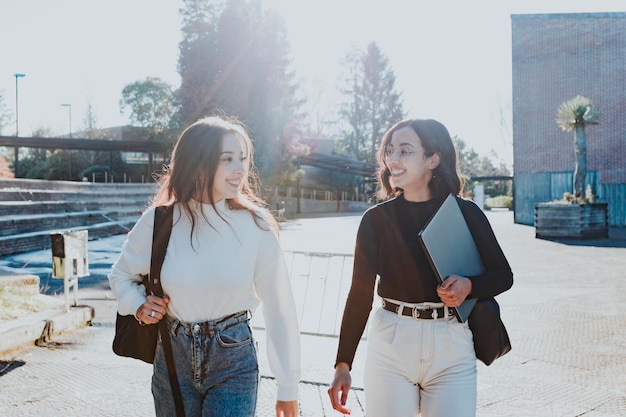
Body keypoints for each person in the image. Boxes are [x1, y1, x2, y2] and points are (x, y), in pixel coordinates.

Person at [109, 115, 300, 417]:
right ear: (198, 164)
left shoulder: (256, 225)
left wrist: (288, 386)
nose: (241, 169)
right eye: (228, 159)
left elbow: (280, 308)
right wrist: (138, 305)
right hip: (172, 358)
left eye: (243, 158)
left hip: (233, 361)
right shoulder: (160, 221)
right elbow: (121, 274)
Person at [328, 118, 513, 416]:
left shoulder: (466, 213)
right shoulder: (375, 220)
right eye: (390, 150)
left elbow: (504, 276)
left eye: (405, 150)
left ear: (433, 159)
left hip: (451, 347)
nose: (393, 159)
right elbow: (359, 295)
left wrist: (470, 286)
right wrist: (342, 364)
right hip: (390, 346)